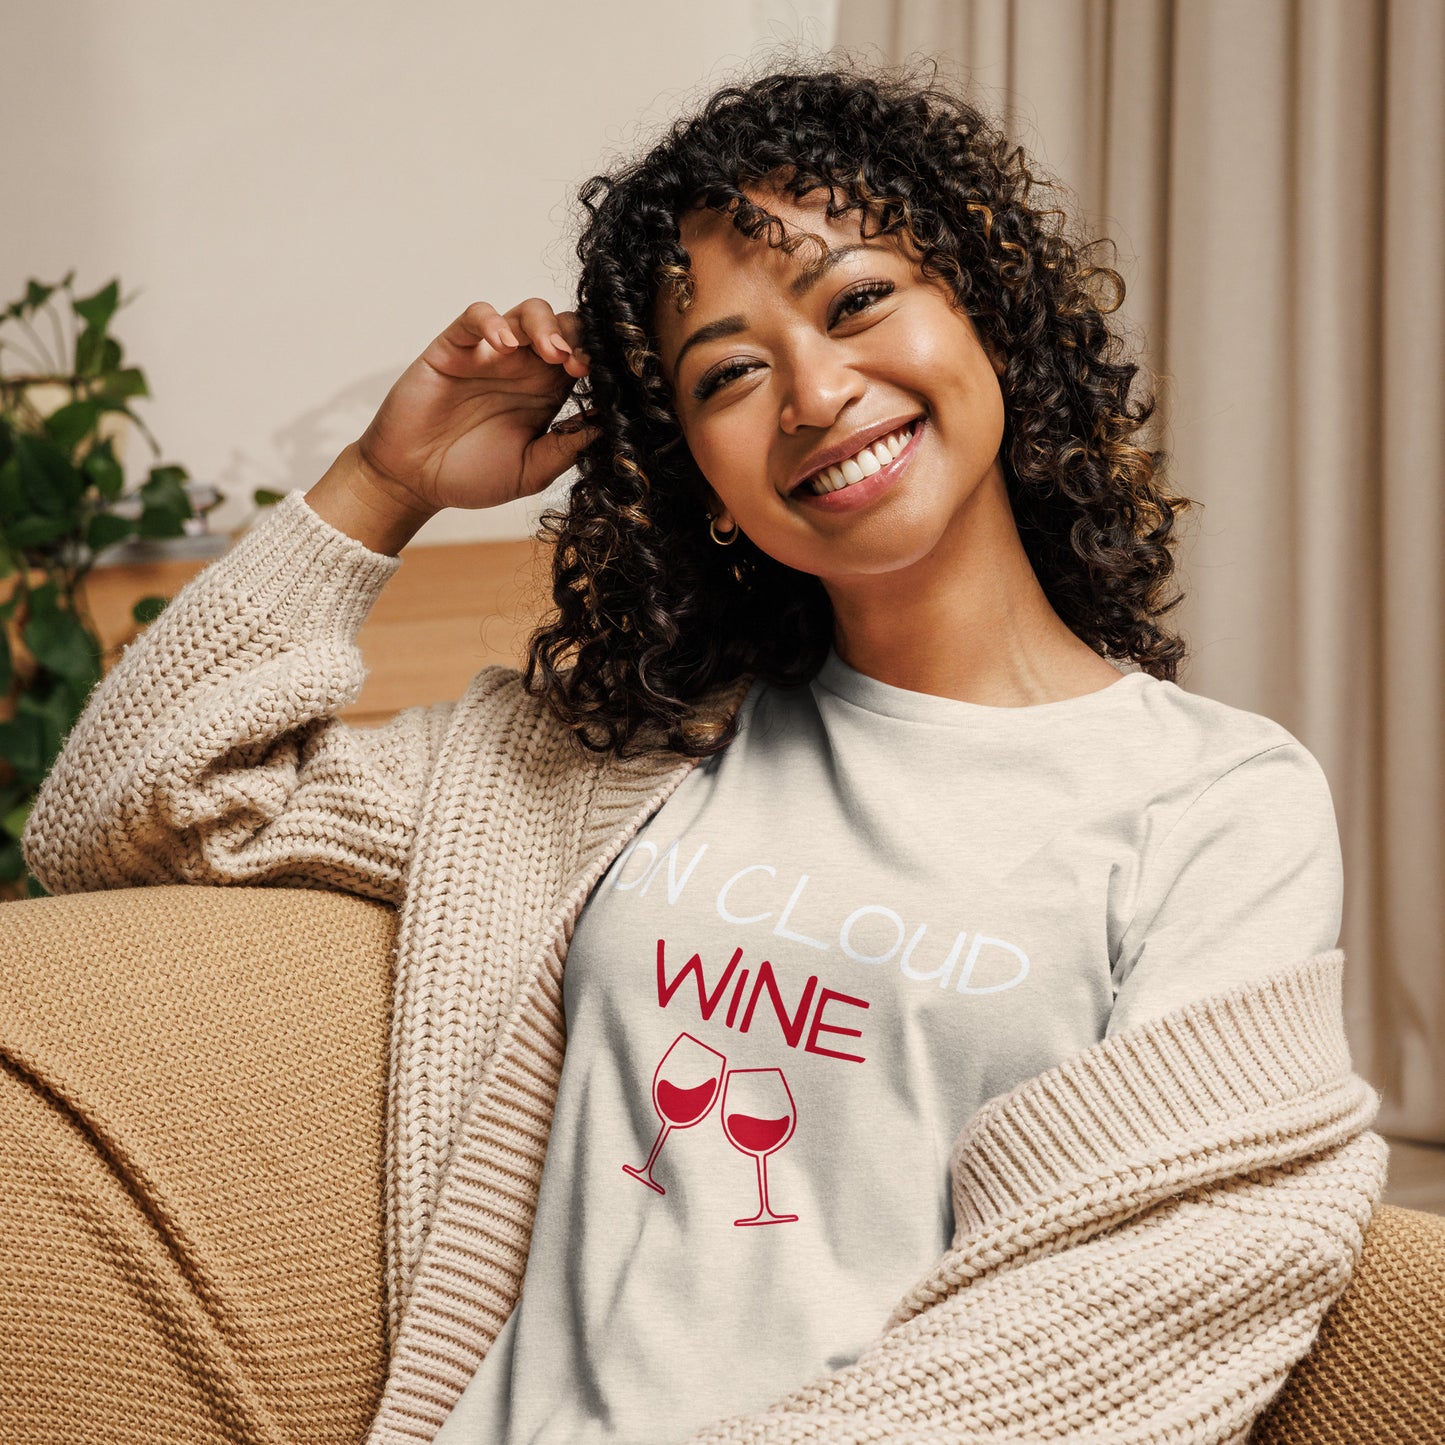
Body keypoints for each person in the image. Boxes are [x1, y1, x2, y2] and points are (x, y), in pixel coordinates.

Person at [15, 63, 1385, 1445]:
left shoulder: (1212, 801)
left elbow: (1151, 1285)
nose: (812, 390)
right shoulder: (603, 765)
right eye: (728, 371)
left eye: (857, 301)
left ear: (987, 315)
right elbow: (128, 813)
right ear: (701, 478)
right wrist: (383, 482)